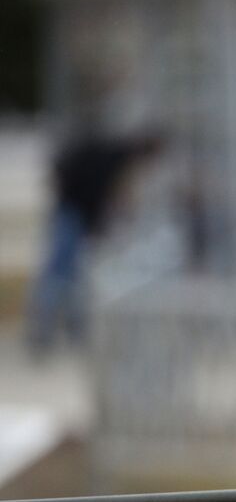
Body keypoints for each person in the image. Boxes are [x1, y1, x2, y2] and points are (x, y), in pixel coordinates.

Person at [25, 127, 165, 355]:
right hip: (72, 211)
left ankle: (64, 330)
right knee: (59, 274)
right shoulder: (115, 159)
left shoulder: (112, 153)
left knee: (71, 275)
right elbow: (107, 194)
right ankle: (46, 331)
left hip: (75, 211)